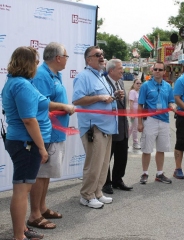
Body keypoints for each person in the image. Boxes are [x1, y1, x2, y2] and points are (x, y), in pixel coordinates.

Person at [2, 46, 73, 240]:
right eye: (35, 61)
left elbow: (43, 102)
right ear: (28, 63)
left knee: (23, 187)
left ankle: (22, 229)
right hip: (26, 142)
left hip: (24, 141)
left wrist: (65, 106)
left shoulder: (22, 83)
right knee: (21, 189)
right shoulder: (22, 85)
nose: (37, 64)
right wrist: (42, 148)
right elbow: (29, 119)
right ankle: (19, 235)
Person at [27, 42, 74, 230]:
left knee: (46, 175)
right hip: (47, 132)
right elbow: (42, 103)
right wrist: (65, 107)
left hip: (56, 132)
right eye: (66, 56)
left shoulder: (56, 74)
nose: (67, 60)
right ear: (58, 57)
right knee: (40, 175)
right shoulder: (41, 75)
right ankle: (34, 215)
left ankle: (42, 207)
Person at [72, 46, 117, 208]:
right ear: (88, 59)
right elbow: (77, 100)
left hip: (107, 126)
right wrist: (99, 97)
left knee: (103, 164)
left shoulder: (101, 76)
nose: (101, 57)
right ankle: (86, 195)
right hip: (94, 128)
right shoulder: (83, 76)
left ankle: (97, 192)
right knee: (94, 163)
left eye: (102, 54)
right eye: (97, 55)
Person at [138, 61, 176, 184]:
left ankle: (159, 173)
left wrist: (172, 106)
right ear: (152, 71)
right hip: (150, 120)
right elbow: (140, 105)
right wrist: (139, 122)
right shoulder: (145, 86)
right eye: (156, 69)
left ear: (164, 72)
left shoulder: (167, 86)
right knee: (147, 149)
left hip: (164, 120)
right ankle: (145, 173)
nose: (158, 72)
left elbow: (170, 101)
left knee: (161, 148)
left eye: (160, 70)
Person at [102, 59, 133, 195]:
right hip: (109, 126)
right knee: (107, 157)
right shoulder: (103, 82)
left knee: (122, 156)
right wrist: (112, 97)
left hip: (122, 125)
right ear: (111, 70)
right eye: (120, 68)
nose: (123, 71)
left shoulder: (120, 82)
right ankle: (105, 182)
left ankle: (117, 180)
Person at [128, 78, 142, 150]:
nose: (139, 85)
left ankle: (125, 140)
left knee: (131, 128)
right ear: (134, 84)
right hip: (134, 113)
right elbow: (131, 103)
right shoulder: (132, 92)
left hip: (138, 113)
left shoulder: (138, 92)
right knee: (134, 128)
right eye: (137, 83)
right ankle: (135, 142)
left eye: (140, 83)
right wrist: (132, 113)